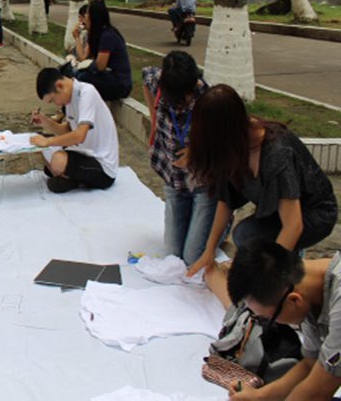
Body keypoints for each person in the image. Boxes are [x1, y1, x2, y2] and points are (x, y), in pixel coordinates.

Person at [184, 85, 337, 278]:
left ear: (225, 132)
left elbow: (293, 225)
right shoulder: (234, 147)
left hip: (314, 213)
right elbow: (226, 202)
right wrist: (209, 251)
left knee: (251, 243)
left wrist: (267, 276)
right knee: (245, 236)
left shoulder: (276, 153)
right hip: (278, 212)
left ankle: (293, 272)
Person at [220, 240, 341, 401]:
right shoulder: (305, 289)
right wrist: (259, 396)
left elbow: (318, 392)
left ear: (294, 300)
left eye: (270, 319)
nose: (275, 323)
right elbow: (310, 364)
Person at [142, 51, 212, 265]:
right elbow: (145, 76)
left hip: (203, 184)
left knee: (192, 258)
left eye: (186, 97)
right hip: (175, 180)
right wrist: (154, 118)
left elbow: (225, 142)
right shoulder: (159, 81)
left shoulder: (208, 99)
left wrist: (196, 150)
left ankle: (221, 223)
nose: (182, 104)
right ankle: (194, 220)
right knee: (173, 254)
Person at [30, 68, 119, 192]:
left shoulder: (86, 93)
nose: (56, 104)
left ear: (59, 86)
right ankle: (70, 177)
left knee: (58, 160)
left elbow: (79, 136)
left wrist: (48, 141)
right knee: (46, 152)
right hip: (84, 153)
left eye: (53, 100)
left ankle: (68, 177)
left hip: (103, 166)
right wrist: (46, 122)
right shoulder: (70, 100)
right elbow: (69, 131)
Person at [73, 0, 132, 101]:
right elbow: (83, 58)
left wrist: (86, 66)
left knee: (83, 77)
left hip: (121, 84)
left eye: (87, 13)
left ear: (94, 17)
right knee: (76, 74)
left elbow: (100, 66)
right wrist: (77, 37)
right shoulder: (97, 34)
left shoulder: (107, 36)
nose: (85, 17)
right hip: (109, 77)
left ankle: (78, 109)